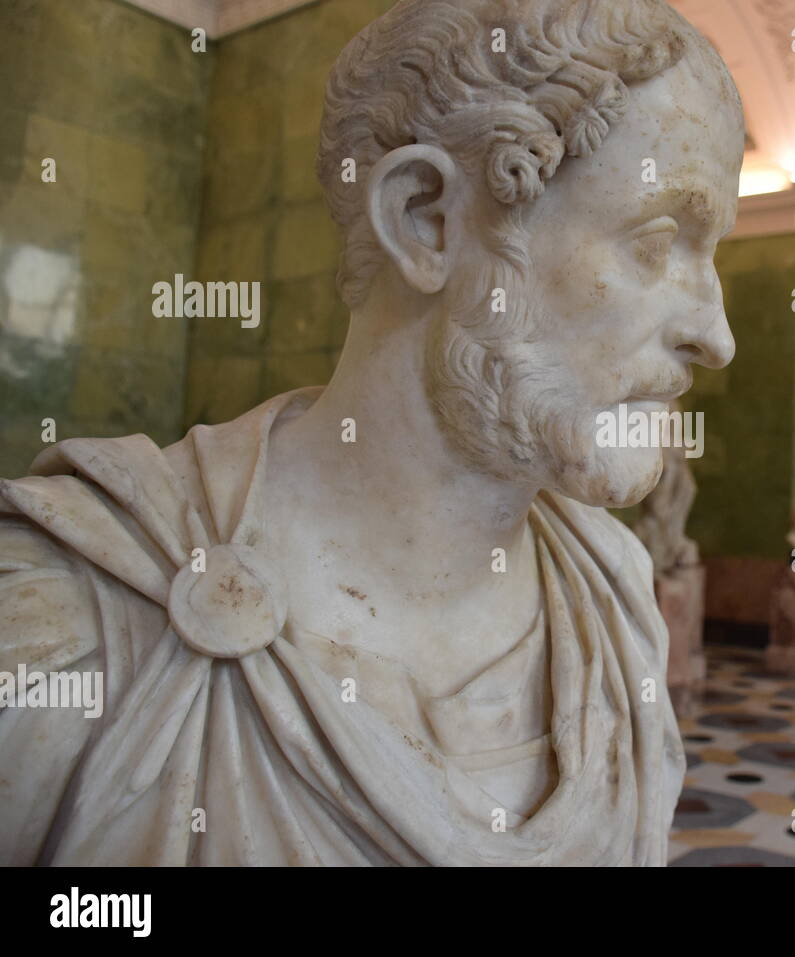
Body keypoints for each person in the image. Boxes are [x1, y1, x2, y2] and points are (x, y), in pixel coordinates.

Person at [0, 0, 743, 866]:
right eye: (658, 238)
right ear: (425, 219)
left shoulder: (615, 597)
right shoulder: (65, 631)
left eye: (715, 250)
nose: (717, 336)